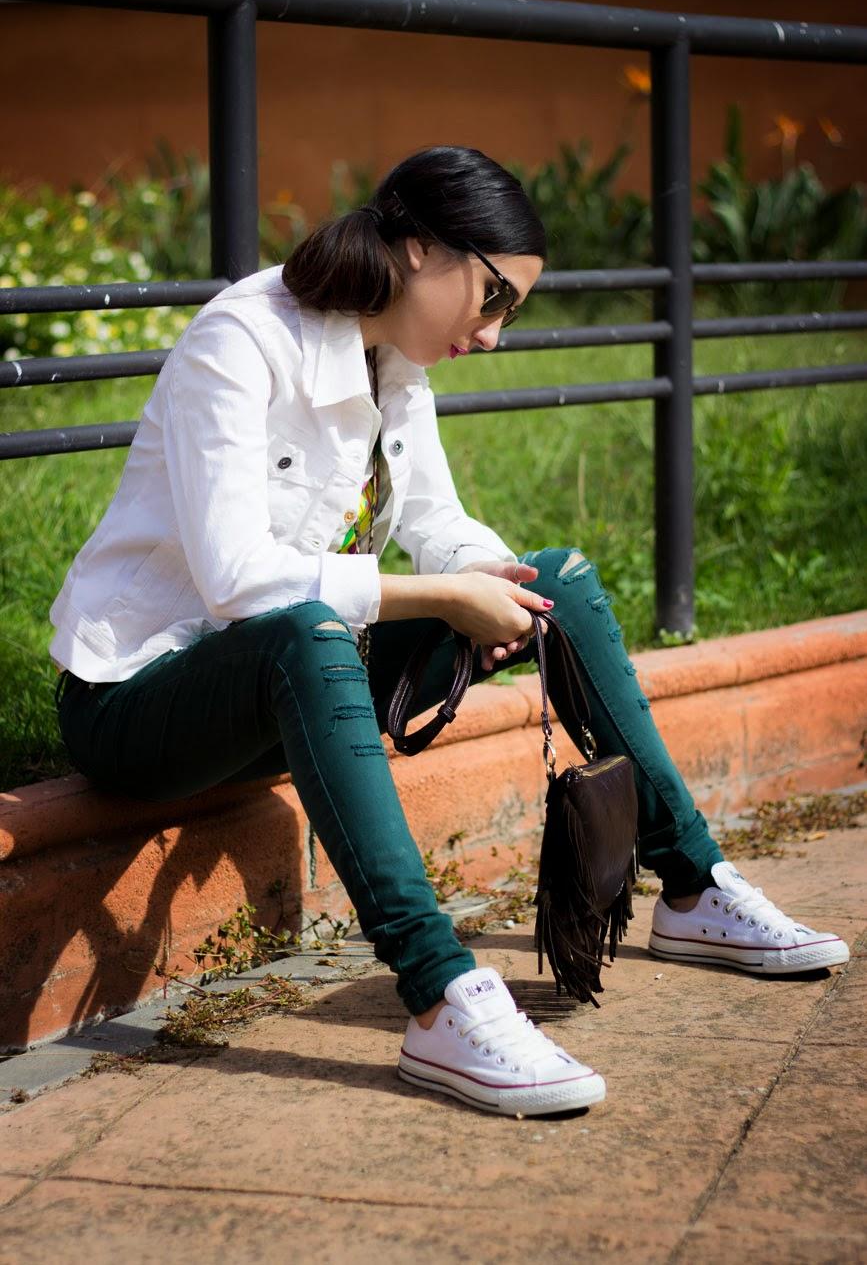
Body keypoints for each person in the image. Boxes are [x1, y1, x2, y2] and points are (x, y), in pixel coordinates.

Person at [51, 145, 849, 1117]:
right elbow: (233, 583)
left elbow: (435, 523)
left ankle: (692, 882)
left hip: (293, 679)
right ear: (421, 249)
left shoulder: (395, 359)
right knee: (308, 630)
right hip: (141, 697)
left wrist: (500, 583)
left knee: (557, 580)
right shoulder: (243, 340)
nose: (496, 333)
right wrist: (441, 602)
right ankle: (440, 995)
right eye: (493, 296)